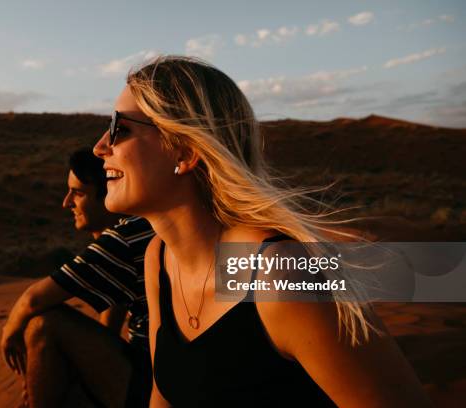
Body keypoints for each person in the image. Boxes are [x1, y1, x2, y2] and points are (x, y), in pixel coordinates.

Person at [92, 55, 432, 407]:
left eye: (120, 127)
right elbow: (163, 397)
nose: (100, 147)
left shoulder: (279, 273)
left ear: (185, 151)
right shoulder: (159, 257)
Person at [0, 148, 155, 407]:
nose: (66, 202)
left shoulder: (125, 239)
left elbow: (32, 300)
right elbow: (110, 324)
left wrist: (10, 334)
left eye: (79, 192)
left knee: (43, 324)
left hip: (158, 382)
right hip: (164, 375)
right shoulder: (144, 232)